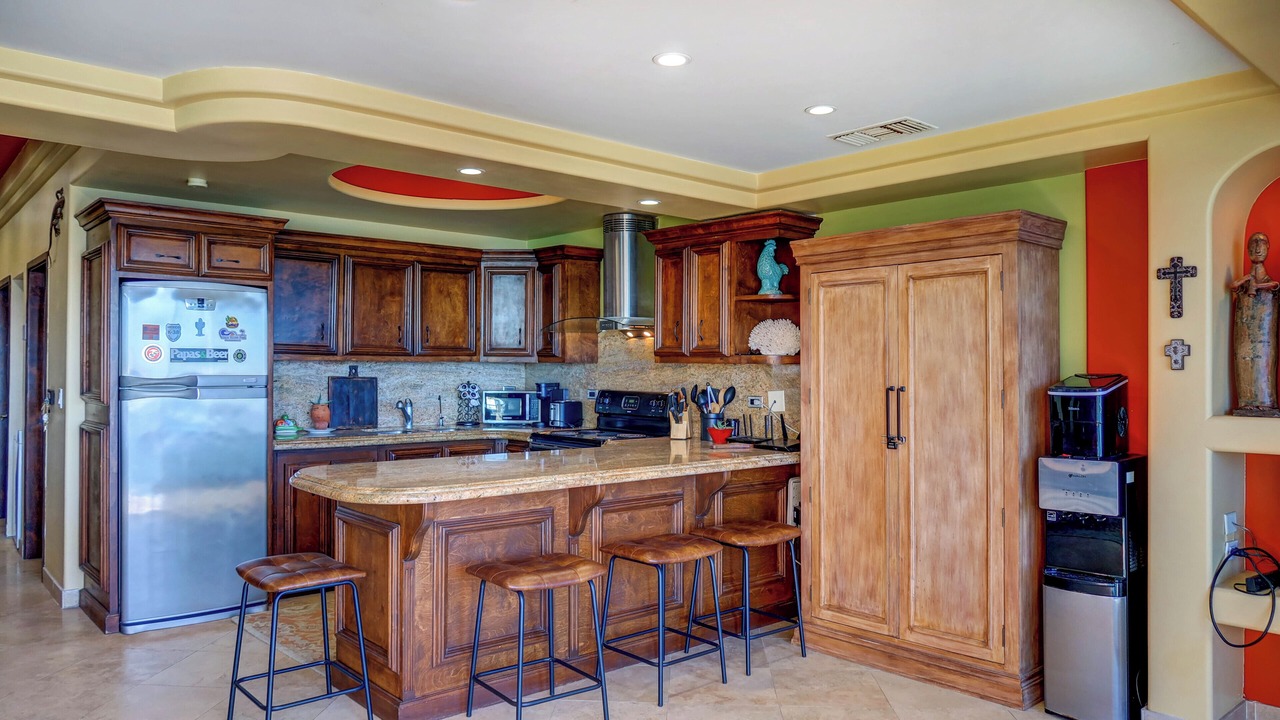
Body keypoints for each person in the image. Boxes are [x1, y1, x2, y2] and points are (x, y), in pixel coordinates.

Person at [1230, 232, 1280, 415]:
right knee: (1244, 362)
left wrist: (1256, 286)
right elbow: (1234, 286)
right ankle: (1246, 402)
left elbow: (1274, 285)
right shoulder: (1245, 283)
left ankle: (1266, 402)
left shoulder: (1269, 284)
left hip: (1265, 337)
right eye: (1253, 243)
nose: (1257, 247)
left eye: (1262, 243)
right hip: (1244, 335)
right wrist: (1247, 281)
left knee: (1264, 364)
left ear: (1268, 248)